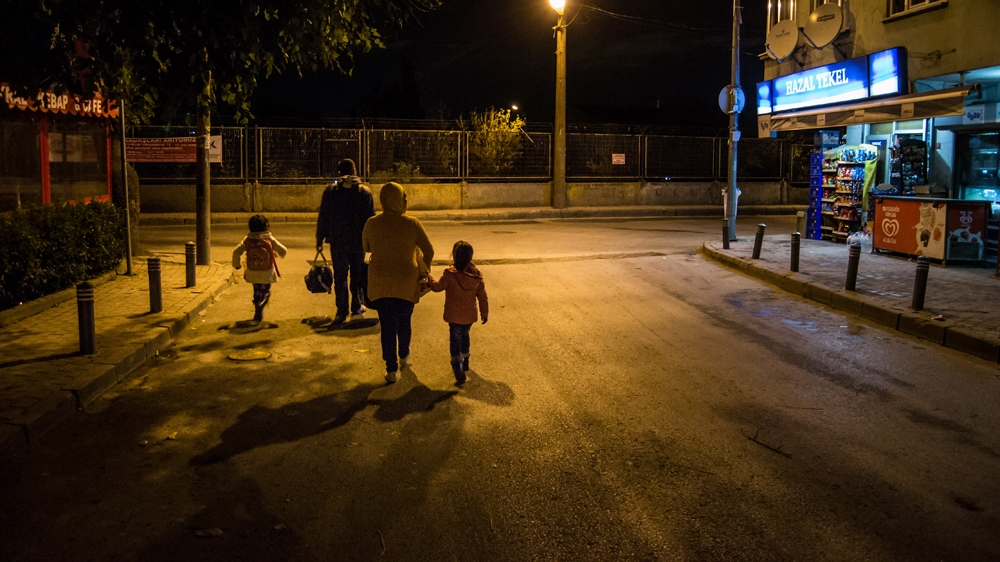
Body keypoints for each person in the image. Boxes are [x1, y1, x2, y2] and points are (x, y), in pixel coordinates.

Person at [362, 182, 434, 384]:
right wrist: (424, 270)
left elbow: (366, 247)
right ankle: (404, 354)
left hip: (381, 282)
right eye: (404, 197)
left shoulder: (372, 223)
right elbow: (429, 250)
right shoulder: (412, 223)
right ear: (400, 199)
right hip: (406, 281)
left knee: (387, 326)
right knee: (404, 320)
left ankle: (391, 369)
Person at [316, 158, 375, 324]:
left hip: (338, 241)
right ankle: (356, 305)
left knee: (340, 276)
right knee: (356, 274)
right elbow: (371, 220)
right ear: (354, 171)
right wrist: (372, 241)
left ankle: (341, 311)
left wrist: (319, 239)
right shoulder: (364, 192)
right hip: (358, 241)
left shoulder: (331, 191)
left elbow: (324, 217)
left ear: (339, 172)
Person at [427, 240, 489, 386]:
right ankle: (465, 360)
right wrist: (484, 313)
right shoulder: (476, 276)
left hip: (454, 316)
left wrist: (428, 277)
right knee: (465, 336)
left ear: (454, 255)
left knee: (455, 340)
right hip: (469, 315)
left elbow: (437, 287)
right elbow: (483, 296)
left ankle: (458, 366)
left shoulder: (450, 274)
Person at [232, 214, 288, 322]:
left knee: (256, 289)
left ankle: (258, 305)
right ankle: (263, 300)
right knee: (266, 290)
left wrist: (236, 265)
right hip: (267, 272)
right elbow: (283, 250)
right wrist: (277, 253)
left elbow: (236, 251)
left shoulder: (248, 240)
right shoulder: (269, 238)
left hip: (252, 271)